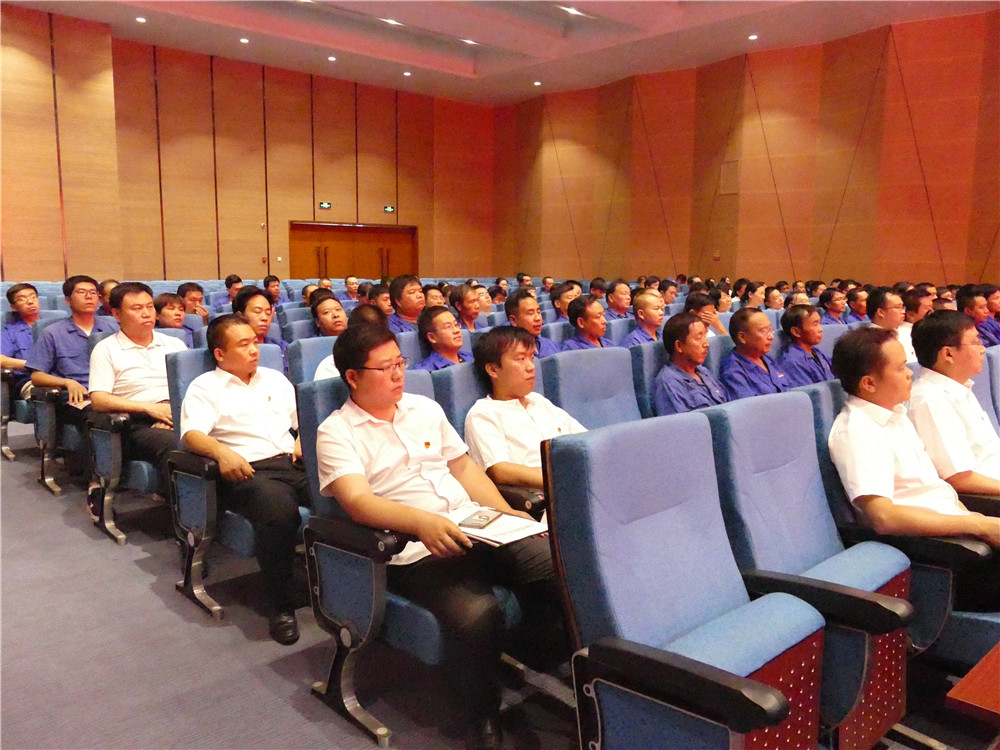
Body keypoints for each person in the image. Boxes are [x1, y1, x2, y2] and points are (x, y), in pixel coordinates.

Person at [315, 324, 564, 748]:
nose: (398, 374)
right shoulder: (336, 432)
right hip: (416, 549)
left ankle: (566, 662)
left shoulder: (424, 409)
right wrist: (420, 523)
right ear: (353, 377)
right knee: (478, 614)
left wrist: (507, 514)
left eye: (400, 363)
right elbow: (358, 501)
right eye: (385, 368)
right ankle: (480, 715)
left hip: (474, 524)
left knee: (559, 565)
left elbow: (464, 468)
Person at [829, 326, 999, 611]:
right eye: (900, 368)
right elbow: (884, 517)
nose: (910, 373)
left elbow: (934, 491)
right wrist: (979, 525)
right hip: (943, 561)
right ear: (869, 383)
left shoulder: (896, 415)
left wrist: (976, 519)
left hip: (963, 535)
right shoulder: (858, 431)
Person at [180, 314, 311, 645]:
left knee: (342, 492)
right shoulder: (205, 387)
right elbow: (192, 434)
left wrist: (302, 439)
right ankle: (281, 606)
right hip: (248, 470)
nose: (255, 349)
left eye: (255, 342)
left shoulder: (275, 379)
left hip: (292, 462)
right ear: (220, 353)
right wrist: (222, 453)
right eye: (244, 344)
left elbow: (303, 420)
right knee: (280, 512)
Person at [88, 282, 187, 519]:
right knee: (176, 445)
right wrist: (151, 409)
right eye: (136, 308)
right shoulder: (106, 349)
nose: (146, 313)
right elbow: (99, 399)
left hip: (179, 412)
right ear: (116, 314)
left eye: (149, 307)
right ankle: (189, 520)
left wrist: (176, 414)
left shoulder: (174, 344)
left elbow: (195, 387)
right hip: (137, 421)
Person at [465, 326, 585, 489]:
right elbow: (499, 469)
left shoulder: (538, 400)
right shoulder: (483, 413)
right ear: (493, 369)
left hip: (578, 479)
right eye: (521, 359)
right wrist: (563, 482)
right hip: (546, 493)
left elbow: (582, 438)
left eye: (531, 357)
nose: (531, 366)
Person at [908, 311, 999, 495]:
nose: (983, 349)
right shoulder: (930, 400)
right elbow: (959, 478)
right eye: (976, 342)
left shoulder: (959, 387)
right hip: (987, 498)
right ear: (948, 354)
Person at [27, 275, 118, 407]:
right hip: (79, 397)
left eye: (93, 292)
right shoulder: (52, 333)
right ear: (68, 300)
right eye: (81, 292)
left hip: (113, 393)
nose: (89, 296)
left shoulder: (114, 329)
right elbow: (37, 376)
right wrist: (67, 382)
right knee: (108, 416)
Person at [652, 312, 728, 416]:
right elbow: (682, 424)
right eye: (699, 338)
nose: (706, 344)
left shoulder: (703, 371)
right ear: (679, 346)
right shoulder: (669, 384)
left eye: (705, 336)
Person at [720, 308, 788, 399]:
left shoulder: (767, 358)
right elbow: (749, 406)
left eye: (770, 330)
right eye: (763, 331)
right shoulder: (733, 372)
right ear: (742, 337)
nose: (771, 337)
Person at [2, 283, 41, 402]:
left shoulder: (56, 326)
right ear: (13, 307)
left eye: (33, 297)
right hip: (27, 379)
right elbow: (2, 360)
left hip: (60, 376)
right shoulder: (9, 331)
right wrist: (34, 365)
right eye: (22, 299)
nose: (30, 301)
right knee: (47, 395)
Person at [778, 305, 834, 387]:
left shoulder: (816, 352)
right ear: (796, 332)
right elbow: (810, 392)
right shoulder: (793, 362)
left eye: (819, 323)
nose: (820, 329)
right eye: (815, 324)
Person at [505, 288, 559, 358]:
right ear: (513, 320)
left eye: (538, 312)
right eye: (530, 313)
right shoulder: (510, 353)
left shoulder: (550, 344)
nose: (538, 318)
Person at [413, 306, 472, 371]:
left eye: (456, 325)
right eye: (448, 327)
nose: (457, 330)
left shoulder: (471, 358)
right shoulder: (427, 371)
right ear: (432, 337)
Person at [867, 287, 913, 360]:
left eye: (903, 307)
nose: (903, 311)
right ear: (880, 312)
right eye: (898, 307)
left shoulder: (908, 332)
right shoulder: (868, 342)